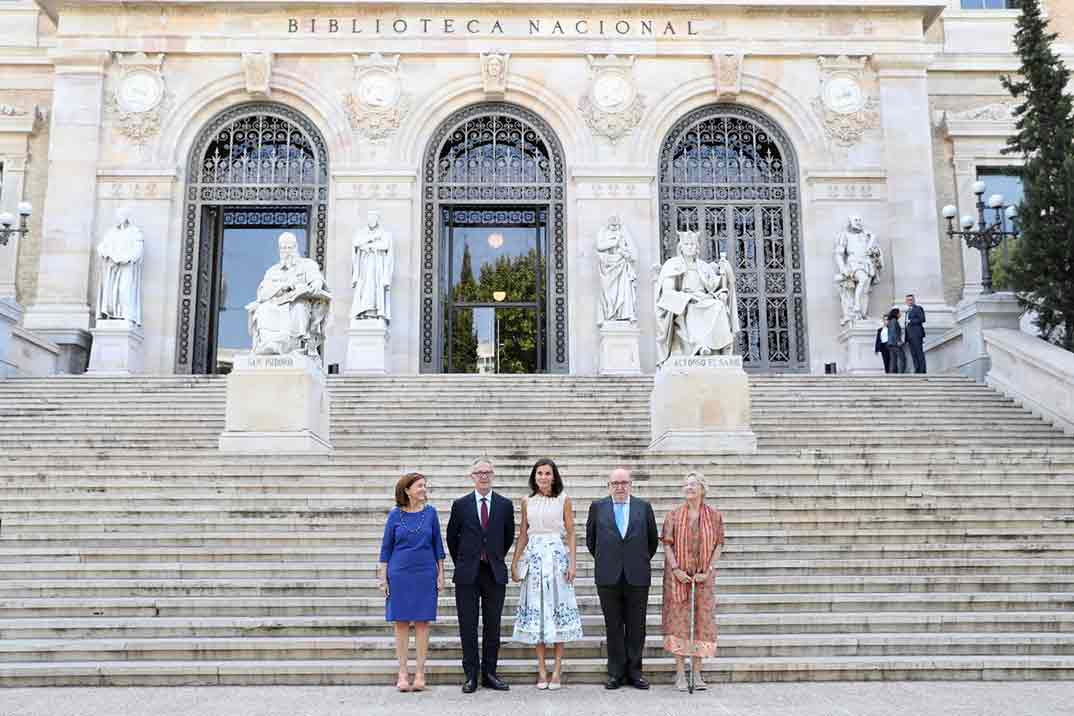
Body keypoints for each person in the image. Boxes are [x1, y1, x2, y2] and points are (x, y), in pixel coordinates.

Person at [511, 458, 584, 690]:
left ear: (554, 476)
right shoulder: (526, 501)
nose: (543, 477)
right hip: (534, 559)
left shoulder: (564, 499)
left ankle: (557, 671)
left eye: (547, 473)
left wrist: (572, 563)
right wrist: (514, 562)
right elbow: (523, 533)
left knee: (557, 611)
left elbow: (571, 532)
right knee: (538, 613)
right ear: (534, 476)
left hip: (556, 558)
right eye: (539, 473)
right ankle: (542, 670)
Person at [585, 467, 659, 690]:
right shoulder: (598, 507)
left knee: (637, 626)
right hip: (608, 576)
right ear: (608, 485)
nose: (619, 487)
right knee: (614, 626)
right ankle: (616, 673)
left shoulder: (643, 507)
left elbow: (652, 541)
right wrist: (609, 560)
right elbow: (592, 541)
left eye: (623, 483)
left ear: (630, 485)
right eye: (615, 483)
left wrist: (636, 560)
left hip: (637, 575)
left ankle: (635, 672)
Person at [447, 456, 515, 693]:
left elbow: (508, 537)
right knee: (468, 625)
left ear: (493, 475)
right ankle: (471, 675)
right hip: (467, 574)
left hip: (494, 572)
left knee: (492, 626)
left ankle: (489, 673)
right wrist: (467, 561)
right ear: (472, 477)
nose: (483, 476)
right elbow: (451, 539)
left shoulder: (505, 505)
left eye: (487, 472)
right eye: (479, 472)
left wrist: (492, 556)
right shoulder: (460, 505)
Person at [377, 472, 446, 692]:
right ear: (407, 490)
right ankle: (403, 672)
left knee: (423, 623)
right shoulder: (395, 515)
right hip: (399, 574)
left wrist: (441, 574)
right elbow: (386, 548)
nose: (424, 489)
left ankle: (420, 673)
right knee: (401, 623)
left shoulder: (431, 513)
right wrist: (383, 577)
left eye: (425, 485)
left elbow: (438, 547)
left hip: (425, 573)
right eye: (419, 486)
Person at [661, 472, 725, 691]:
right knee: (678, 623)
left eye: (693, 484)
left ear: (703, 489)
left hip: (703, 578)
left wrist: (708, 570)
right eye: (686, 485)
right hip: (679, 577)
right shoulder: (673, 515)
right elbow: (667, 544)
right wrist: (676, 569)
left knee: (701, 623)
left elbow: (719, 544)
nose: (688, 488)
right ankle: (679, 673)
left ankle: (697, 673)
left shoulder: (715, 516)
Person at [655, 231, 739, 365]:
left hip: (704, 298)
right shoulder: (672, 264)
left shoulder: (703, 266)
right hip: (685, 300)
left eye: (693, 244)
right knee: (691, 308)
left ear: (697, 247)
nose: (690, 247)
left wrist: (723, 282)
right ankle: (700, 345)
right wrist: (686, 297)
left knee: (718, 306)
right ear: (680, 247)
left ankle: (713, 346)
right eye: (686, 244)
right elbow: (667, 292)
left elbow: (713, 285)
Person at [904, 293, 927, 373]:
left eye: (911, 300)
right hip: (910, 336)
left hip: (917, 335)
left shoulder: (918, 308)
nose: (909, 301)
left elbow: (922, 319)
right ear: (906, 301)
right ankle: (917, 370)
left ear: (914, 300)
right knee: (913, 354)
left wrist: (911, 321)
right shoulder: (907, 311)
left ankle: (922, 370)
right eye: (908, 300)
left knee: (919, 353)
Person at [885, 307, 905, 374]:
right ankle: (901, 374)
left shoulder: (890, 321)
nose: (900, 314)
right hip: (895, 343)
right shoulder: (894, 321)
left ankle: (892, 374)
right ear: (896, 314)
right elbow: (894, 332)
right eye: (899, 313)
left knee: (893, 360)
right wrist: (898, 341)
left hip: (890, 343)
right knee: (902, 358)